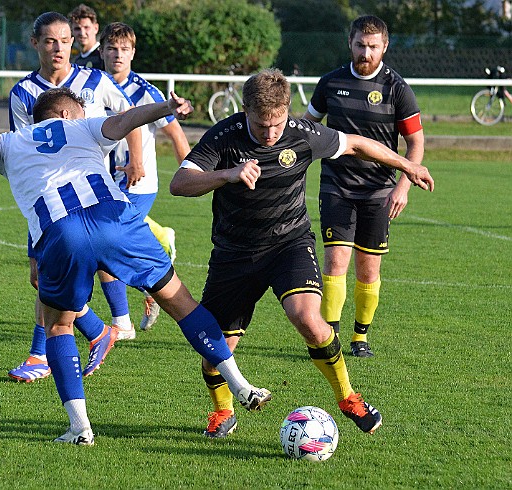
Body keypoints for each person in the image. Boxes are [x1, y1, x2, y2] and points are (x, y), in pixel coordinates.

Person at [0, 88, 273, 445]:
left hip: (61, 234)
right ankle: (240, 385)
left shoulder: (6, 143)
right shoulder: (80, 125)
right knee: (182, 303)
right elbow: (124, 122)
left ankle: (80, 429)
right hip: (115, 219)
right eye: (81, 108)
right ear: (65, 113)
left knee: (59, 326)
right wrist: (165, 107)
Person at [170, 68, 434, 438]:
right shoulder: (224, 136)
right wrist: (227, 174)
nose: (271, 133)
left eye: (277, 124)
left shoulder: (303, 134)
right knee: (216, 348)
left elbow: (357, 144)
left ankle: (348, 397)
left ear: (287, 112)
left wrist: (408, 164)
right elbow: (179, 184)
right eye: (262, 126)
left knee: (308, 318)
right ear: (245, 110)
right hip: (235, 252)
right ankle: (223, 411)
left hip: (288, 244)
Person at [7, 12, 143, 383]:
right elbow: (23, 149)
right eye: (50, 41)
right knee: (41, 277)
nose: (59, 48)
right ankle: (101, 329)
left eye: (65, 40)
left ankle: (41, 355)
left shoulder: (94, 80)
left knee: (62, 271)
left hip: (92, 196)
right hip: (49, 199)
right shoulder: (22, 93)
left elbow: (128, 114)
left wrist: (136, 158)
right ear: (35, 44)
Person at [302, 15, 424, 358]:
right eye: (360, 45)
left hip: (379, 192)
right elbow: (306, 125)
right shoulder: (330, 83)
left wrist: (403, 187)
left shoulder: (397, 88)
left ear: (384, 47)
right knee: (335, 261)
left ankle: (360, 338)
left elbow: (415, 143)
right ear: (350, 44)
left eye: (372, 46)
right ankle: (329, 338)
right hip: (336, 186)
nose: (365, 52)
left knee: (369, 268)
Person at [100, 22, 191, 331]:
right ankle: (153, 272)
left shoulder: (145, 91)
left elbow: (177, 136)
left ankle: (122, 322)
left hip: (138, 185)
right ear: (101, 51)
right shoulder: (94, 86)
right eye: (112, 48)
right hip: (102, 183)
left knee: (103, 249)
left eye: (124, 49)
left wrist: (191, 174)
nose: (118, 55)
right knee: (104, 249)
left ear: (133, 53)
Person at [68, 4, 104, 70]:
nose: (82, 33)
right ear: (72, 31)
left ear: (96, 28)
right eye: (77, 29)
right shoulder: (75, 62)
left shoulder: (104, 56)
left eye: (86, 27)